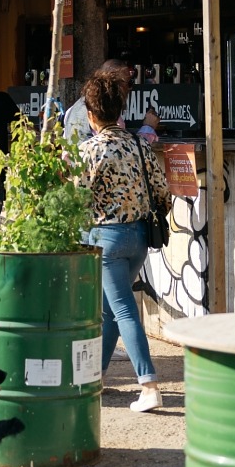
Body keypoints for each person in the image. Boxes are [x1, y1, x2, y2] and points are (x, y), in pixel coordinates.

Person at [77, 71, 170, 413]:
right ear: (120, 110)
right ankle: (94, 377)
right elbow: (161, 191)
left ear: (90, 114)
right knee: (110, 311)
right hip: (140, 237)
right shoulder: (139, 145)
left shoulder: (89, 150)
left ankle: (148, 385)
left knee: (123, 310)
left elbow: (76, 199)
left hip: (106, 239)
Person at [61, 58, 159, 146]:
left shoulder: (73, 109)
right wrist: (148, 127)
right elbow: (123, 150)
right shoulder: (106, 111)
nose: (130, 88)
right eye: (128, 82)